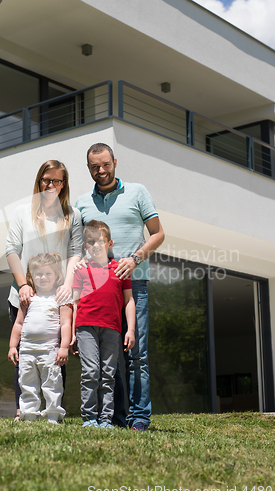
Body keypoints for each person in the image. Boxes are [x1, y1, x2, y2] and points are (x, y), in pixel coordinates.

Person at [75, 143, 165, 431]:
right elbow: (77, 246)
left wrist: (136, 258)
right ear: (88, 168)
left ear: (115, 161)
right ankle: (114, 416)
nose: (100, 170)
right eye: (94, 167)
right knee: (105, 358)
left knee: (136, 352)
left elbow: (158, 234)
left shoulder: (137, 192)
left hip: (132, 283)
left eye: (105, 164)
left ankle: (139, 418)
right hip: (96, 289)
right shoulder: (81, 203)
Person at [6, 160, 83, 421]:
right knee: (25, 355)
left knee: (56, 355)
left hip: (57, 300)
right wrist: (23, 284)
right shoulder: (21, 212)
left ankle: (53, 411)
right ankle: (24, 411)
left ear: (64, 185)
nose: (51, 185)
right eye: (46, 180)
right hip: (25, 298)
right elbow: (12, 251)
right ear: (39, 181)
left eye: (57, 181)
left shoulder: (72, 215)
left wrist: (69, 287)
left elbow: (75, 253)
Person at [72, 220, 135, 428]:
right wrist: (72, 332)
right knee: (91, 371)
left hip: (112, 328)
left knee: (108, 374)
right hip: (85, 326)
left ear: (109, 243)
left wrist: (131, 330)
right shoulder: (81, 270)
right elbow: (75, 301)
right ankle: (89, 417)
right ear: (85, 246)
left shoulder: (120, 270)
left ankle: (106, 419)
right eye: (90, 242)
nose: (95, 245)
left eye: (100, 240)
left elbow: (129, 301)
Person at [8, 253, 72, 423]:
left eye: (48, 273)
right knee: (27, 384)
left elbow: (66, 324)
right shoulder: (28, 299)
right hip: (27, 350)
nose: (43, 277)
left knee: (52, 384)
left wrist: (64, 347)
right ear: (31, 276)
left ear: (56, 275)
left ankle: (53, 416)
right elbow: (19, 324)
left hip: (50, 350)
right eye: (39, 274)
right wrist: (13, 346)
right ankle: (29, 415)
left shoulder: (61, 298)